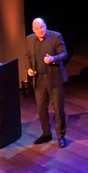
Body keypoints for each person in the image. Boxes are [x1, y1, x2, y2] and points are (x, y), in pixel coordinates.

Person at [23, 17, 68, 147]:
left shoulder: (55, 36)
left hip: (54, 79)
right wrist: (29, 69)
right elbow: (27, 56)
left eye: (41, 27)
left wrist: (53, 58)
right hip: (39, 80)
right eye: (37, 28)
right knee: (41, 108)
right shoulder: (29, 39)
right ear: (33, 29)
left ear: (45, 25)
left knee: (58, 108)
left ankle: (61, 136)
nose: (40, 30)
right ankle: (46, 134)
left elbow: (64, 54)